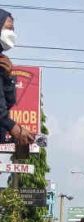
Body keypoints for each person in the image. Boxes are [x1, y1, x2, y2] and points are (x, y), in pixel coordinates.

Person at [0, 9, 35, 146]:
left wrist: (7, 77)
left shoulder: (3, 61)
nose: (12, 34)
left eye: (13, 30)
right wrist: (13, 127)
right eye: (8, 29)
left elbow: (8, 104)